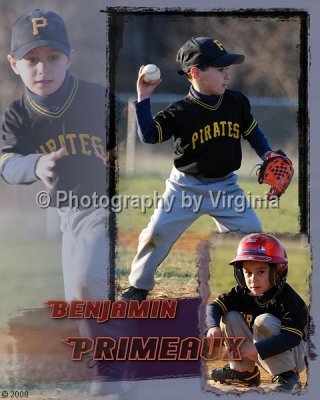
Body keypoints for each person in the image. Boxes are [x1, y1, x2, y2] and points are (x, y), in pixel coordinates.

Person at [0, 9, 115, 396]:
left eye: (52, 57)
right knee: (78, 302)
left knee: (86, 282)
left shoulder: (96, 99)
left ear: (69, 58)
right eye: (31, 59)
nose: (42, 69)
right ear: (14, 64)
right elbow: (6, 164)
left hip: (108, 205)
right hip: (70, 213)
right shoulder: (18, 116)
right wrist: (36, 163)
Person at [121, 36, 284, 301]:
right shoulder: (181, 111)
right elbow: (150, 135)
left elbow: (252, 131)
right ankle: (138, 286)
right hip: (185, 187)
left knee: (252, 235)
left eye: (226, 69)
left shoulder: (236, 102)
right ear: (195, 73)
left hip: (226, 187)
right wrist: (143, 98)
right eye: (219, 69)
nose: (226, 75)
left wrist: (267, 152)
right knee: (155, 234)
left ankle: (253, 291)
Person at [206, 233, 309, 393]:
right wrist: (213, 327)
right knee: (229, 317)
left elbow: (292, 338)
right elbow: (213, 307)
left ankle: (288, 376)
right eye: (248, 272)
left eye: (261, 271)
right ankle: (243, 372)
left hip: (295, 355)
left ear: (277, 271)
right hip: (261, 349)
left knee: (263, 321)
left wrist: (257, 350)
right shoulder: (243, 293)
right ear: (240, 274)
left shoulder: (288, 299)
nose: (253, 279)